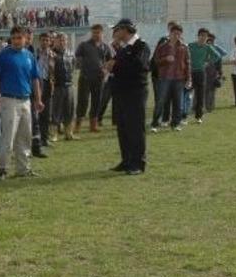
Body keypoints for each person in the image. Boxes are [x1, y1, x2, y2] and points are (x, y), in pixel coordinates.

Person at [0, 26, 43, 180]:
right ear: (10, 39)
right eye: (14, 38)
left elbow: (35, 79)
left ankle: (23, 168)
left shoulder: (29, 56)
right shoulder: (3, 55)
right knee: (8, 137)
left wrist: (38, 99)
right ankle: (2, 169)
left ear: (25, 38)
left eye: (19, 38)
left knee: (25, 137)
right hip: (9, 100)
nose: (16, 41)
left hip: (26, 100)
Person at [107, 19, 150, 175]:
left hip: (135, 93)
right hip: (121, 93)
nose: (114, 33)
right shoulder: (124, 49)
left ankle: (138, 163)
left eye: (116, 30)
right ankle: (126, 161)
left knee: (135, 128)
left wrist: (116, 65)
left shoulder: (141, 46)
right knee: (123, 128)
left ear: (125, 30)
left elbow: (139, 66)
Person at [150, 24, 189, 132]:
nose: (176, 36)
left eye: (179, 34)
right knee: (160, 102)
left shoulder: (184, 47)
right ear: (170, 33)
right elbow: (156, 62)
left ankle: (175, 124)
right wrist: (166, 59)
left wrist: (189, 78)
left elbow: (188, 63)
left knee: (178, 103)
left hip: (179, 79)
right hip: (164, 78)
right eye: (174, 33)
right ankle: (154, 124)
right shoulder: (162, 47)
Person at [74, 24, 111, 134]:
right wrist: (83, 65)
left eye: (98, 33)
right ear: (91, 33)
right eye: (94, 33)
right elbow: (78, 57)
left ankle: (93, 126)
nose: (96, 35)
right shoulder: (84, 45)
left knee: (97, 102)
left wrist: (106, 70)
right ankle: (77, 125)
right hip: (85, 77)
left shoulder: (105, 47)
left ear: (102, 33)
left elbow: (110, 61)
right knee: (83, 101)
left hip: (99, 79)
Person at [186, 28, 221, 124]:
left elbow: (217, 55)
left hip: (201, 73)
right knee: (186, 94)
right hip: (189, 72)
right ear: (198, 36)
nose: (203, 38)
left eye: (205, 36)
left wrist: (208, 62)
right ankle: (183, 115)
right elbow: (184, 56)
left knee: (200, 95)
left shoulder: (207, 47)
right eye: (201, 35)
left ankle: (199, 117)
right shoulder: (190, 45)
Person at [50, 33, 76, 141]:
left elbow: (73, 67)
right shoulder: (51, 53)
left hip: (69, 85)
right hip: (57, 86)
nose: (62, 42)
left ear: (67, 41)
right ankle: (54, 134)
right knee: (56, 110)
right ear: (55, 41)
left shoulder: (70, 53)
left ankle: (68, 133)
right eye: (59, 40)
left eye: (64, 40)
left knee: (69, 110)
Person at [34, 32, 53, 153]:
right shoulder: (34, 54)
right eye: (43, 40)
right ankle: (37, 139)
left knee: (46, 113)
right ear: (39, 41)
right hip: (37, 84)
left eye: (47, 40)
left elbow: (54, 71)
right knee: (36, 113)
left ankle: (45, 138)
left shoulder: (53, 55)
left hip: (48, 83)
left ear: (50, 41)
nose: (45, 42)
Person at [204, 33, 227, 113]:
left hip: (213, 73)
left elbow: (220, 60)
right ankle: (206, 106)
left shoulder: (216, 50)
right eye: (209, 40)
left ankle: (210, 107)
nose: (211, 42)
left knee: (212, 90)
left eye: (212, 40)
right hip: (204, 72)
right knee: (205, 90)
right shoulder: (203, 49)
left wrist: (220, 74)